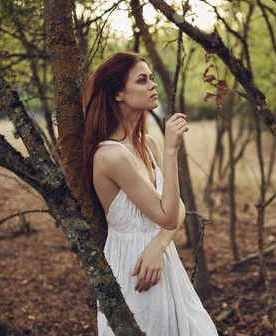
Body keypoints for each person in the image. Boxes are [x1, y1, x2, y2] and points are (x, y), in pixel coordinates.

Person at [81, 52, 218, 336]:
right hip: (134, 269)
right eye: (142, 80)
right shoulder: (110, 156)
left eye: (151, 78)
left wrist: (158, 246)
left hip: (159, 258)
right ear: (118, 93)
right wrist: (171, 151)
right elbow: (169, 216)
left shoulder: (148, 144)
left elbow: (176, 207)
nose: (152, 85)